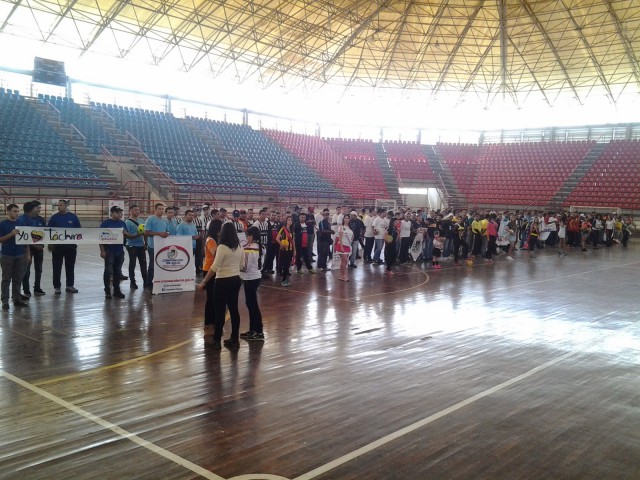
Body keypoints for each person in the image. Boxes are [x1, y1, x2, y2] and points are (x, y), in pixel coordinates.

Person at [196, 222, 244, 349]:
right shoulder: (239, 246)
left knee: (219, 311)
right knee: (234, 310)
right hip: (236, 280)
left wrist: (204, 282)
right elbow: (242, 265)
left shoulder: (222, 247)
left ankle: (217, 340)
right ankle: (234, 339)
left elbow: (215, 267)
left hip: (222, 280)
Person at [47, 199, 81, 294]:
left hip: (71, 247)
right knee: (56, 267)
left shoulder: (73, 217)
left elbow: (79, 231)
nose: (58, 207)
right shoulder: (54, 217)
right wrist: (50, 243)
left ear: (66, 206)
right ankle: (57, 286)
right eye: (58, 205)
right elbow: (49, 230)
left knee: (70, 266)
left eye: (60, 205)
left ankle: (70, 285)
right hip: (57, 247)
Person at [0, 204, 29, 309]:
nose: (16, 213)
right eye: (14, 211)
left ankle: (17, 299)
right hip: (7, 255)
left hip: (20, 254)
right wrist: (11, 234)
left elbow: (26, 240)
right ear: (8, 211)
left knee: (18, 279)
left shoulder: (22, 223)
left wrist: (27, 254)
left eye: (17, 211)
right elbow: (0, 240)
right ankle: (5, 301)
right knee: (6, 279)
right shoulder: (3, 224)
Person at [239, 226, 265, 341]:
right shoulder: (261, 247)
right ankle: (253, 329)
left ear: (251, 236)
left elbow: (245, 267)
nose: (246, 238)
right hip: (256, 276)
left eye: (247, 236)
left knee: (252, 305)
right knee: (251, 304)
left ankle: (259, 331)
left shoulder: (249, 249)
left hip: (250, 278)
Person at [99, 206, 130, 299]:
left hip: (119, 251)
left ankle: (116, 290)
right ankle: (107, 290)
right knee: (108, 271)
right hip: (109, 251)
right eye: (118, 212)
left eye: (121, 212)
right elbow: (100, 238)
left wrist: (126, 234)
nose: (120, 214)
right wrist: (102, 250)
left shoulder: (122, 223)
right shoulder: (105, 223)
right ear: (112, 213)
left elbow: (127, 236)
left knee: (117, 272)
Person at [200, 219, 222, 343]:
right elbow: (216, 254)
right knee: (210, 299)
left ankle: (214, 323)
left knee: (216, 298)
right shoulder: (210, 240)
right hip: (209, 270)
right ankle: (208, 324)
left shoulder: (216, 240)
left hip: (216, 270)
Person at [21, 201, 46, 296]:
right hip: (28, 248)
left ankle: (37, 287)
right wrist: (34, 245)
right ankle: (26, 290)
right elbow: (25, 236)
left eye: (40, 208)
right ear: (33, 209)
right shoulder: (24, 220)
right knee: (26, 269)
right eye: (37, 208)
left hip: (39, 248)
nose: (39, 209)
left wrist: (42, 245)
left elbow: (45, 233)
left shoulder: (40, 220)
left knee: (39, 269)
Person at [144, 203, 169, 287]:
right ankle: (148, 283)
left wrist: (166, 234)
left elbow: (165, 232)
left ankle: (158, 281)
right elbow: (146, 232)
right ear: (155, 210)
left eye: (162, 209)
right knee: (152, 265)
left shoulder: (164, 221)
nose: (161, 210)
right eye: (159, 209)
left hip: (162, 246)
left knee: (161, 264)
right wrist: (159, 233)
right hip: (153, 246)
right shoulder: (150, 219)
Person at [124, 204, 147, 289]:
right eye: (135, 210)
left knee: (143, 264)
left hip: (141, 245)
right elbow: (127, 236)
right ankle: (132, 282)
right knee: (132, 264)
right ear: (131, 211)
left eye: (138, 210)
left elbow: (145, 233)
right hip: (132, 246)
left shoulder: (141, 221)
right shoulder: (127, 222)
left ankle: (146, 281)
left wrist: (146, 243)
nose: (137, 211)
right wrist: (137, 235)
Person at [277, 216, 295, 287]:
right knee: (285, 265)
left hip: (290, 250)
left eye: (291, 220)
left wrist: (294, 251)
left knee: (288, 266)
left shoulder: (292, 231)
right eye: (289, 220)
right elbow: (277, 238)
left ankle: (286, 280)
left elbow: (293, 241)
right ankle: (283, 280)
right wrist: (282, 244)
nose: (290, 221)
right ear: (286, 221)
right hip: (284, 250)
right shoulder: (282, 229)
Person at [335, 214, 353, 281]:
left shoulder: (350, 227)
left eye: (348, 218)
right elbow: (340, 238)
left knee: (344, 262)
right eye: (345, 218)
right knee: (345, 261)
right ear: (343, 219)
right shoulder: (341, 227)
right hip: (341, 246)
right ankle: (344, 275)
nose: (347, 219)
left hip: (348, 246)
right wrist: (342, 247)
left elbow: (352, 237)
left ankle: (340, 275)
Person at [384, 211, 398, 275]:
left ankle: (387, 269)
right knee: (389, 257)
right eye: (395, 222)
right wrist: (387, 241)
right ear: (392, 222)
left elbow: (397, 237)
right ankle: (388, 269)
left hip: (394, 244)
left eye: (396, 222)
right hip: (389, 245)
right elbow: (385, 236)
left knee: (394, 257)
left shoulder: (395, 229)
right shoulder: (389, 229)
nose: (396, 222)